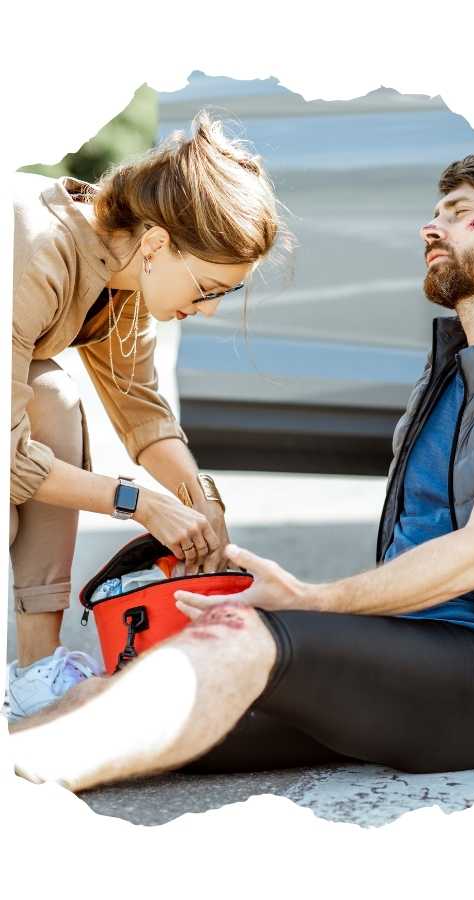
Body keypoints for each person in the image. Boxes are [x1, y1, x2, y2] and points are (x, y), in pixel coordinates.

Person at [9, 152, 474, 791]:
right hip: (412, 657)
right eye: (437, 211)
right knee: (112, 688)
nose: (433, 226)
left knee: (242, 636)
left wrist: (309, 600)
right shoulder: (449, 374)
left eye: (460, 212)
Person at [6, 111, 283, 720]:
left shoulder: (121, 274)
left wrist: (201, 501)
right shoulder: (34, 250)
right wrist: (139, 502)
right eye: (208, 288)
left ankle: (36, 671)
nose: (208, 310)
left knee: (51, 397)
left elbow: (142, 412)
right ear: (157, 243)